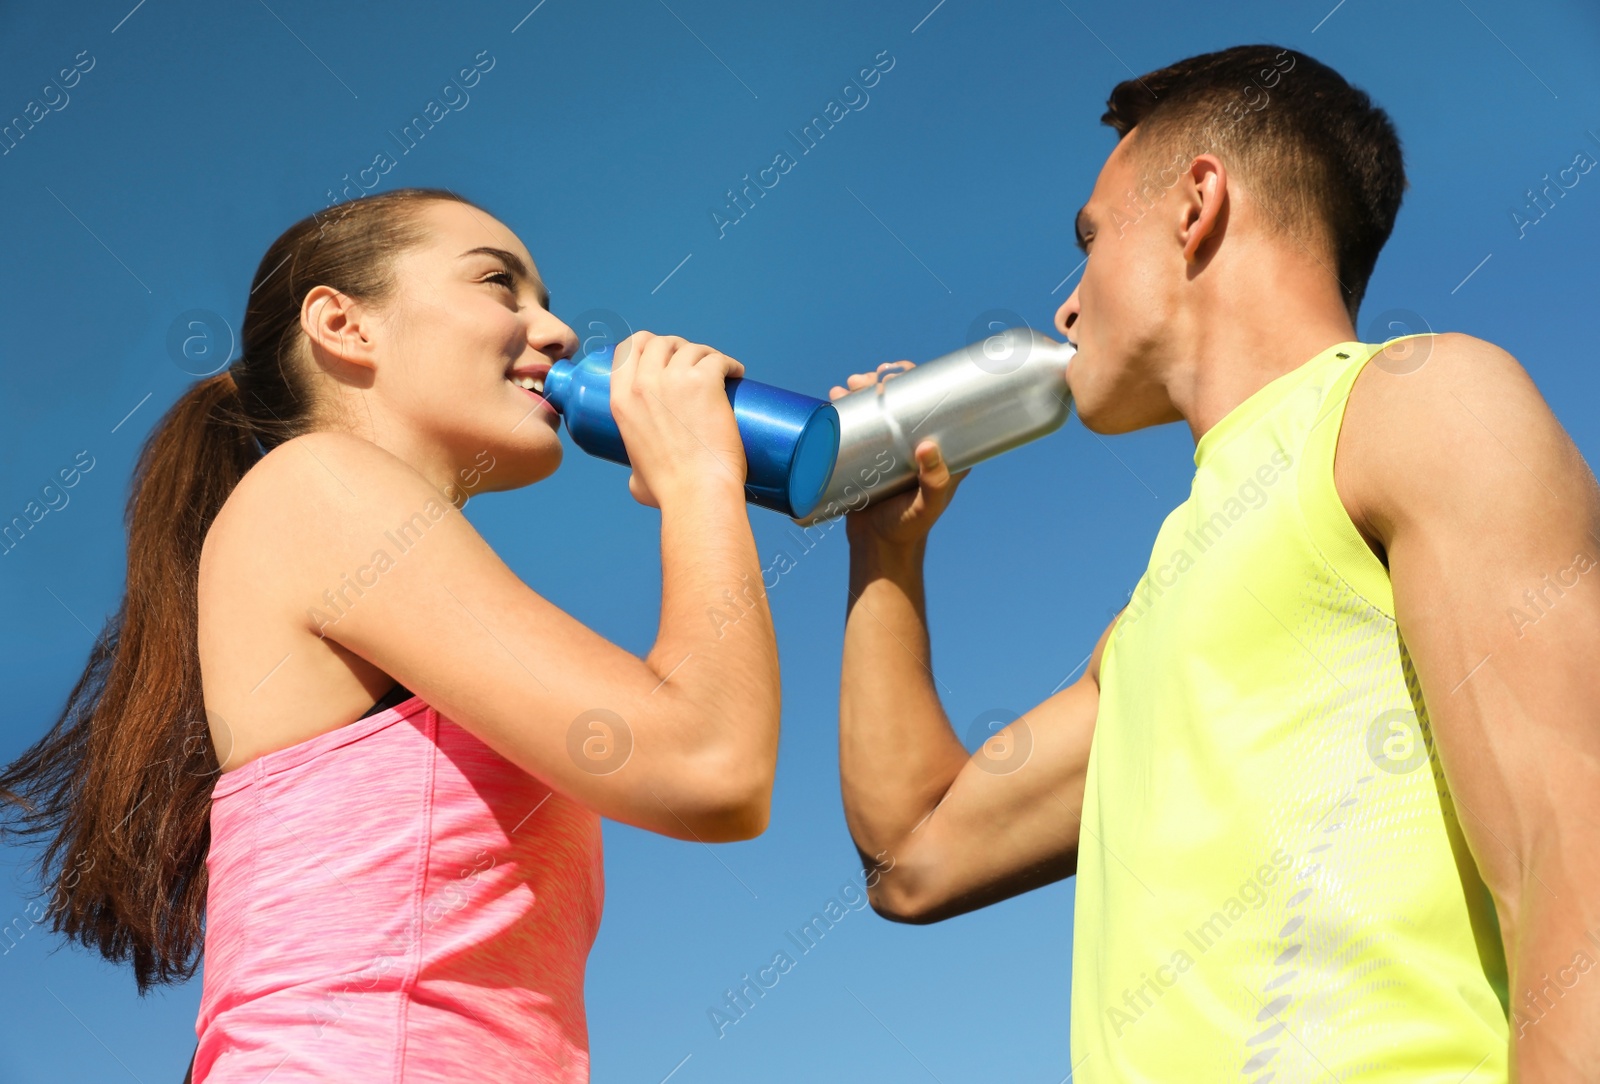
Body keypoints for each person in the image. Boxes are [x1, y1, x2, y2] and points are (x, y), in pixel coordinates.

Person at [830, 44, 1600, 1080]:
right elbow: (913, 855)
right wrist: (886, 546)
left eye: (1089, 239)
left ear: (1196, 203)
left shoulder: (1420, 404)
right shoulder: (1152, 616)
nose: (1065, 305)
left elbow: (1574, 865)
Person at [0, 187, 782, 1083]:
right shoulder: (320, 489)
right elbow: (707, 766)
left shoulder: (353, 532)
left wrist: (888, 541)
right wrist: (699, 483)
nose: (559, 332)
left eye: (548, 303)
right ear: (344, 325)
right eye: (501, 286)